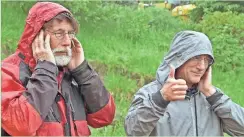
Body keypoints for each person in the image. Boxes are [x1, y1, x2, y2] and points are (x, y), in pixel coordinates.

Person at [1, 2, 115, 136]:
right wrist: (45, 68)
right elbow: (20, 125)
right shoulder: (9, 72)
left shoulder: (71, 75)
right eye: (59, 33)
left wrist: (83, 71)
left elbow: (104, 117)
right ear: (38, 36)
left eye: (70, 33)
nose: (67, 41)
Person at [124, 30, 244, 136]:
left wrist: (212, 95)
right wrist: (161, 99)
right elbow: (133, 132)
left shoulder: (213, 99)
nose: (201, 66)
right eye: (196, 57)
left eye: (206, 60)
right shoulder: (151, 94)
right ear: (178, 58)